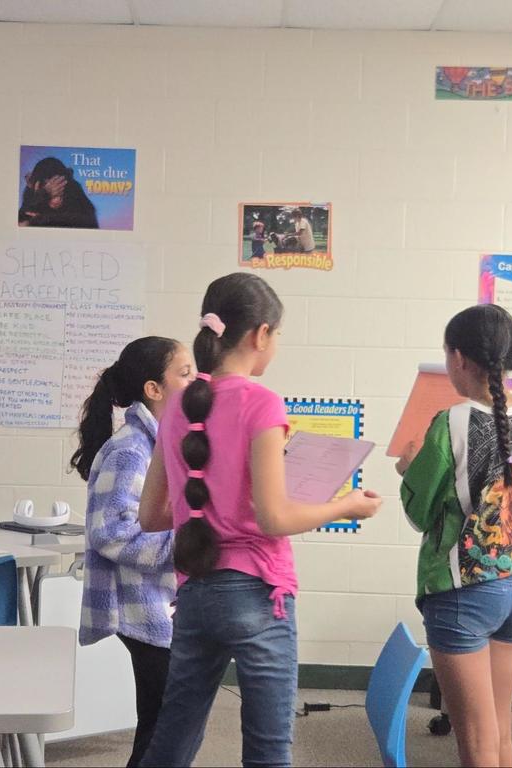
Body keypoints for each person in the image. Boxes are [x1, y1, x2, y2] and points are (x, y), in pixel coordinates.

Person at [136, 272, 382, 767]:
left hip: (195, 592)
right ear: (261, 334)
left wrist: (208, 502)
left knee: (172, 741)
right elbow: (274, 518)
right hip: (257, 593)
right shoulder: (262, 403)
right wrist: (346, 505)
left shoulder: (177, 405)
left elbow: (151, 515)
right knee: (269, 751)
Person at [396, 304, 512, 768]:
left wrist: (409, 469)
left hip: (461, 591)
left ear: (459, 358)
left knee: (475, 742)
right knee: (499, 735)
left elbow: (419, 510)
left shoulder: (452, 423)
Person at [69, 336, 195, 768]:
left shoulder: (160, 444)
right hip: (141, 610)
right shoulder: (130, 450)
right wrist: (184, 546)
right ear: (153, 389)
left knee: (165, 728)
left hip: (158, 604)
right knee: (162, 733)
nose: (195, 381)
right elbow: (110, 533)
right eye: (184, 373)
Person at [18, 156, 99, 229]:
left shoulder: (73, 189)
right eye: (49, 187)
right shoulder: (33, 192)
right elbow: (20, 222)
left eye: (59, 188)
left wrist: (41, 219)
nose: (56, 198)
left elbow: (86, 223)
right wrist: (44, 194)